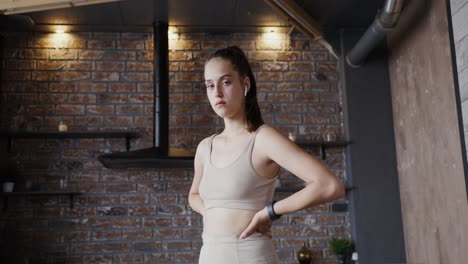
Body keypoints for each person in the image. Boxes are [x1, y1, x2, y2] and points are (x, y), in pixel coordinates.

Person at [188, 46, 345, 264]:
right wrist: (214, 213)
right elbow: (194, 196)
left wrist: (269, 212)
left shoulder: (263, 138)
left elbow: (329, 185)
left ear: (245, 84)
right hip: (209, 255)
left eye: (226, 82)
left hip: (249, 254)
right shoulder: (205, 147)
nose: (217, 92)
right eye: (209, 85)